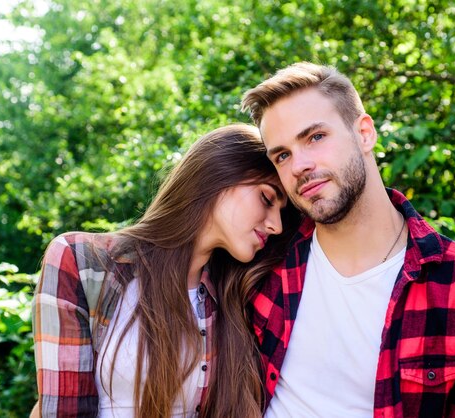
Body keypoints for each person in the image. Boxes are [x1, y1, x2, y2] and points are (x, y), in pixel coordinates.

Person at [240, 63, 455, 417]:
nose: (299, 166)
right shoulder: (265, 264)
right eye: (283, 155)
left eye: (315, 137)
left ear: (364, 133)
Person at [31, 124, 301, 417]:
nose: (277, 225)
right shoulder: (81, 261)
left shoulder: (234, 298)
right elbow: (63, 410)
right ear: (218, 174)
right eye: (266, 199)